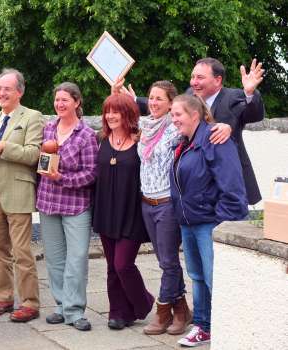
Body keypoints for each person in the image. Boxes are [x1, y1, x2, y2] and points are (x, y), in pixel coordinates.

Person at [130, 58, 265, 204]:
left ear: (218, 80)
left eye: (200, 77)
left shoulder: (234, 97)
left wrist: (250, 93)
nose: (193, 82)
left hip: (226, 185)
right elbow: (168, 104)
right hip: (196, 190)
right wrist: (136, 100)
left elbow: (254, 115)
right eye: (192, 77)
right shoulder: (190, 95)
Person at [170, 94, 248, 347]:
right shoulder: (184, 143)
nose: (174, 120)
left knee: (216, 278)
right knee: (198, 276)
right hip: (189, 221)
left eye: (178, 114)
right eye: (172, 115)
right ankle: (204, 326)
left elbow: (233, 188)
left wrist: (219, 224)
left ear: (194, 115)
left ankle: (232, 328)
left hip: (209, 223)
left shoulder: (215, 139)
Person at [0, 68, 43, 322]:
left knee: (21, 250)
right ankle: (4, 297)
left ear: (20, 91)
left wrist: (5, 147)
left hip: (17, 190)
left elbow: (32, 155)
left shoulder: (32, 117)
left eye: (7, 88)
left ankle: (29, 302)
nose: (1, 93)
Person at [37, 82, 97, 331]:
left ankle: (75, 310)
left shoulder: (87, 135)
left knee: (77, 258)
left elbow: (92, 173)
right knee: (54, 258)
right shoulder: (48, 128)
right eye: (57, 100)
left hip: (76, 204)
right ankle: (60, 306)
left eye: (65, 100)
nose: (60, 104)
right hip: (48, 202)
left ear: (77, 102)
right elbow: (43, 162)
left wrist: (62, 178)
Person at [92, 93, 154, 330]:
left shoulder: (142, 142)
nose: (110, 116)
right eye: (107, 111)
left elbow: (162, 118)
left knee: (123, 264)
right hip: (106, 211)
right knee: (111, 267)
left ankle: (144, 302)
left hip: (132, 213)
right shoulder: (101, 140)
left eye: (116, 111)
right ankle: (117, 312)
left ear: (127, 114)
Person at [137, 81, 192, 335]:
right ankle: (181, 310)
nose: (154, 102)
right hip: (146, 202)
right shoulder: (144, 126)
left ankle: (162, 312)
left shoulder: (174, 129)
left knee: (169, 262)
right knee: (164, 261)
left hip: (167, 203)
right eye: (151, 98)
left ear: (171, 103)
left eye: (160, 98)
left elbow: (200, 122)